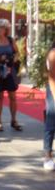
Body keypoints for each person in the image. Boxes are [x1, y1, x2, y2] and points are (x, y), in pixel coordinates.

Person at [0, 19, 22, 132]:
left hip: (10, 71)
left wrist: (13, 59)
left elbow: (17, 53)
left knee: (12, 97)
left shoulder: (10, 40)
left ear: (6, 29)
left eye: (1, 27)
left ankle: (14, 120)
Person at [44, 41, 55, 171]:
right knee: (51, 122)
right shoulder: (53, 54)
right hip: (53, 90)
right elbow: (52, 78)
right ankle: (47, 156)